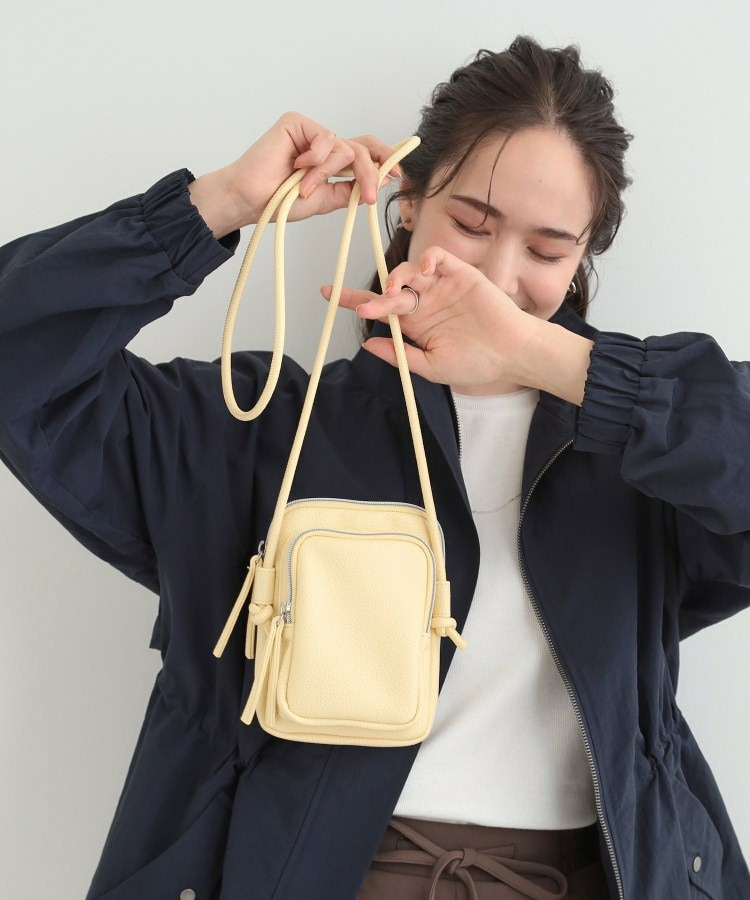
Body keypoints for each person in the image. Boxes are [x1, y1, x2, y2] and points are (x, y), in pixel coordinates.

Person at [1, 33, 748, 900]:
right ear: (409, 204)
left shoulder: (643, 458)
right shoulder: (261, 432)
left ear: (584, 258)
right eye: (471, 225)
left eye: (547, 252)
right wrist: (216, 207)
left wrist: (553, 361)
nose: (497, 277)